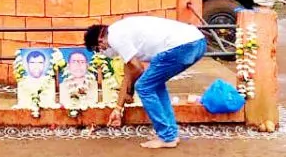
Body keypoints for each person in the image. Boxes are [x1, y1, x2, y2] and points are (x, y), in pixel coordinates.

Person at [85, 16, 207, 149]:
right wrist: (118, 109)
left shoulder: (115, 37)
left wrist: (131, 90)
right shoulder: (119, 31)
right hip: (197, 42)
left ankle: (167, 137)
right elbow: (128, 74)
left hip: (182, 46)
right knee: (155, 85)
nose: (101, 52)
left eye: (98, 49)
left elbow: (138, 68)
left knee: (144, 87)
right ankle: (170, 134)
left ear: (100, 40)